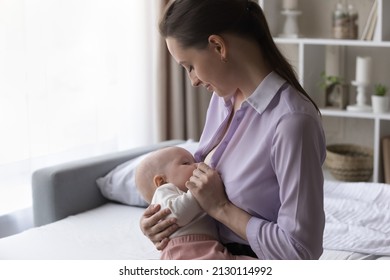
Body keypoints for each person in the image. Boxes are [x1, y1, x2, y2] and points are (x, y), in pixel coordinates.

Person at [140, 0, 326, 260]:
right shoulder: (221, 101)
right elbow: (200, 187)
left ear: (218, 46)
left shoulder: (292, 122)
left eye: (190, 66)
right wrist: (163, 223)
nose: (192, 81)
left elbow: (301, 251)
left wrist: (221, 207)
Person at [135, 146, 255, 260]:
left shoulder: (184, 196)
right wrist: (201, 192)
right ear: (161, 181)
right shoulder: (163, 191)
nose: (198, 165)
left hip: (209, 249)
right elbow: (176, 215)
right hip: (184, 252)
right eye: (186, 163)